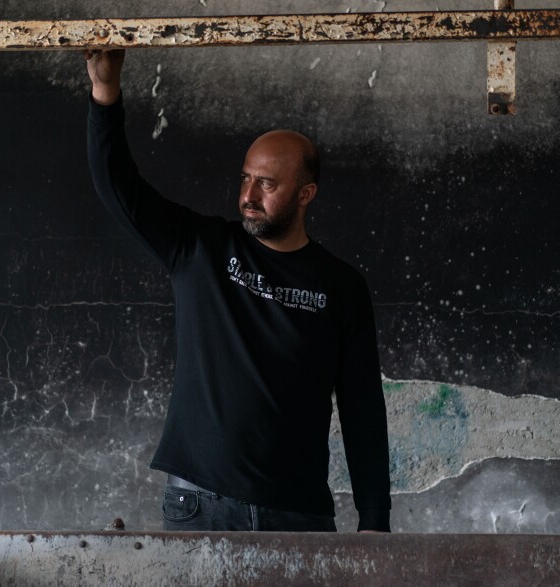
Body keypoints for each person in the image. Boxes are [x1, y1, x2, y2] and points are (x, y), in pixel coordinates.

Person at [85, 49, 391, 532]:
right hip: (200, 507)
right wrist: (105, 94)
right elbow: (118, 186)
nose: (248, 196)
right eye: (245, 178)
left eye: (266, 184)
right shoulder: (200, 248)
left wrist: (375, 522)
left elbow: (363, 412)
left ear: (305, 194)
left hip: (298, 514)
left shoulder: (341, 287)